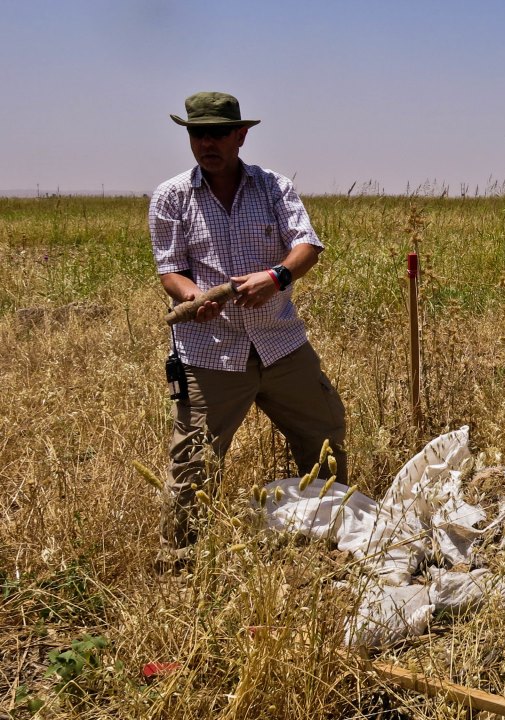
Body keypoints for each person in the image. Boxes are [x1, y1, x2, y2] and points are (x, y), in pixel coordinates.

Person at [148, 91, 347, 550]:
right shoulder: (171, 197)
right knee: (192, 467)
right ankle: (181, 566)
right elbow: (169, 269)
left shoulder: (273, 187)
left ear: (241, 135)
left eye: (218, 133)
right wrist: (192, 295)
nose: (207, 143)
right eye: (198, 134)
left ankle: (327, 539)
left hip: (280, 344)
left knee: (324, 439)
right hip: (209, 353)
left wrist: (276, 277)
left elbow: (307, 245)